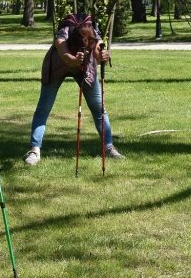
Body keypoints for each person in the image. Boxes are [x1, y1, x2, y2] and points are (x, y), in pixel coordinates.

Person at [23, 13, 124, 165]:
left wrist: (103, 56)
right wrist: (75, 60)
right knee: (44, 107)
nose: (86, 43)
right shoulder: (62, 35)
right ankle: (34, 149)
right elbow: (65, 57)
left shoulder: (94, 33)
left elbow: (97, 55)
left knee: (99, 108)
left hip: (84, 68)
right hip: (57, 67)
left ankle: (108, 147)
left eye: (89, 41)